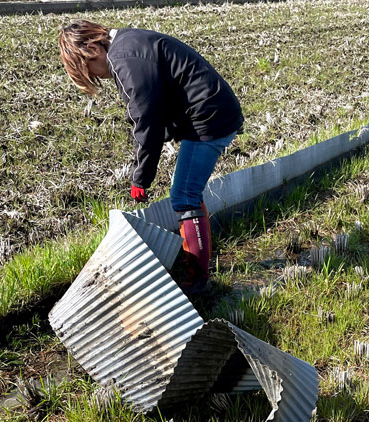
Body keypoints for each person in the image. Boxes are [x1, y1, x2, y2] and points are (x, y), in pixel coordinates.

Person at [58, 20, 243, 295]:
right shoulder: (128, 43)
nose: (99, 77)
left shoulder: (123, 58)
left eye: (91, 72)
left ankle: (198, 280)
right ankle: (198, 267)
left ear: (94, 48)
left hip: (209, 118)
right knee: (188, 192)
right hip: (214, 109)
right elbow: (159, 98)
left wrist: (140, 178)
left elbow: (146, 119)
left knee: (184, 195)